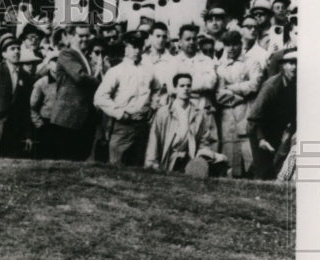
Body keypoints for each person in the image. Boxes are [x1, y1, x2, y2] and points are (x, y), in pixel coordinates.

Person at [92, 32, 155, 166]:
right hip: (123, 126)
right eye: (133, 46)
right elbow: (100, 98)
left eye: (139, 46)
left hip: (143, 125)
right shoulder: (116, 71)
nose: (137, 50)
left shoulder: (148, 71)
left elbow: (158, 90)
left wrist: (152, 108)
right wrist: (120, 114)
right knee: (117, 166)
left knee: (138, 168)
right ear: (125, 48)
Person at [145, 72, 225, 173]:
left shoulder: (198, 113)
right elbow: (154, 140)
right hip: (169, 159)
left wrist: (202, 156)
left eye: (188, 86)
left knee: (221, 160)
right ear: (175, 88)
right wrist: (152, 164)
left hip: (189, 158)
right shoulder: (164, 112)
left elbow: (204, 140)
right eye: (182, 86)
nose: (186, 89)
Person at [43, 24, 98, 160]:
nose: (84, 39)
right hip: (67, 117)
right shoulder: (66, 53)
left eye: (87, 36)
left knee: (79, 158)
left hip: (83, 117)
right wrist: (99, 81)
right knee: (66, 160)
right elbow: (79, 77)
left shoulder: (86, 57)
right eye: (80, 36)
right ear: (71, 37)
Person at [214, 30, 260, 178]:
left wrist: (231, 88)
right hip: (227, 115)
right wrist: (241, 95)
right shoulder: (220, 67)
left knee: (249, 153)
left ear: (241, 44)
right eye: (228, 45)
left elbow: (255, 85)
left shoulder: (251, 62)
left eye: (234, 44)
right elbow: (219, 95)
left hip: (246, 112)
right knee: (229, 152)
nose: (231, 48)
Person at [247, 48, 297, 180]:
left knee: (275, 167)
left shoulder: (297, 84)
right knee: (263, 171)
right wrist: (261, 139)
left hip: (278, 129)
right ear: (283, 66)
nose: (295, 67)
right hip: (259, 129)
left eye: (298, 63)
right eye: (291, 63)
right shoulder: (271, 86)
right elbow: (254, 117)